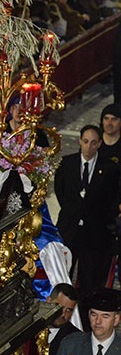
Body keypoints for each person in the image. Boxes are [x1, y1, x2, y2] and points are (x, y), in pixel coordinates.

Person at [54, 125, 120, 297]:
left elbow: (114, 198)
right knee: (63, 277)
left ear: (99, 144)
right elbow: (60, 190)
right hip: (69, 229)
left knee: (89, 281)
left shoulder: (110, 168)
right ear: (79, 141)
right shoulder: (67, 164)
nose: (88, 147)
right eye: (85, 142)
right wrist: (73, 211)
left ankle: (84, 310)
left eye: (93, 143)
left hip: (94, 233)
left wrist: (103, 219)